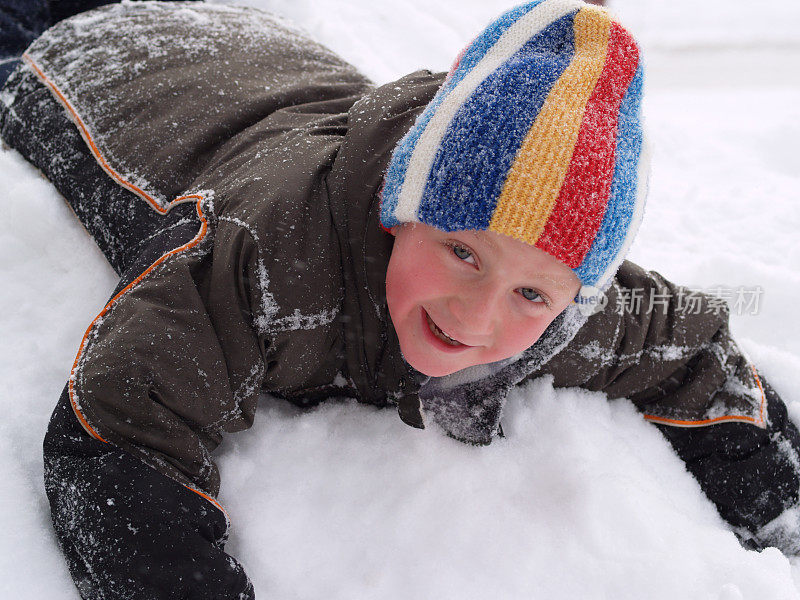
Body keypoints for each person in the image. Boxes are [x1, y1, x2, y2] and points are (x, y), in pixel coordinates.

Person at [1, 0, 798, 598]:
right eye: (459, 250)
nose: (477, 314)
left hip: (260, 53)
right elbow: (120, 429)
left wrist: (782, 515)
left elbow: (694, 355)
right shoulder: (267, 255)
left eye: (529, 293)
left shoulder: (577, 316)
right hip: (103, 57)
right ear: (399, 208)